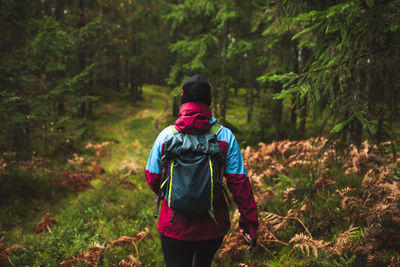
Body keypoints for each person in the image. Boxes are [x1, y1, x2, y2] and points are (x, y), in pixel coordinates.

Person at [145, 75, 258, 267]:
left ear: (183, 102)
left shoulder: (166, 135)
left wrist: (176, 194)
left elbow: (152, 177)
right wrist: (249, 223)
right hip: (211, 227)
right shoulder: (225, 136)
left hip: (173, 226)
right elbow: (239, 183)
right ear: (208, 102)